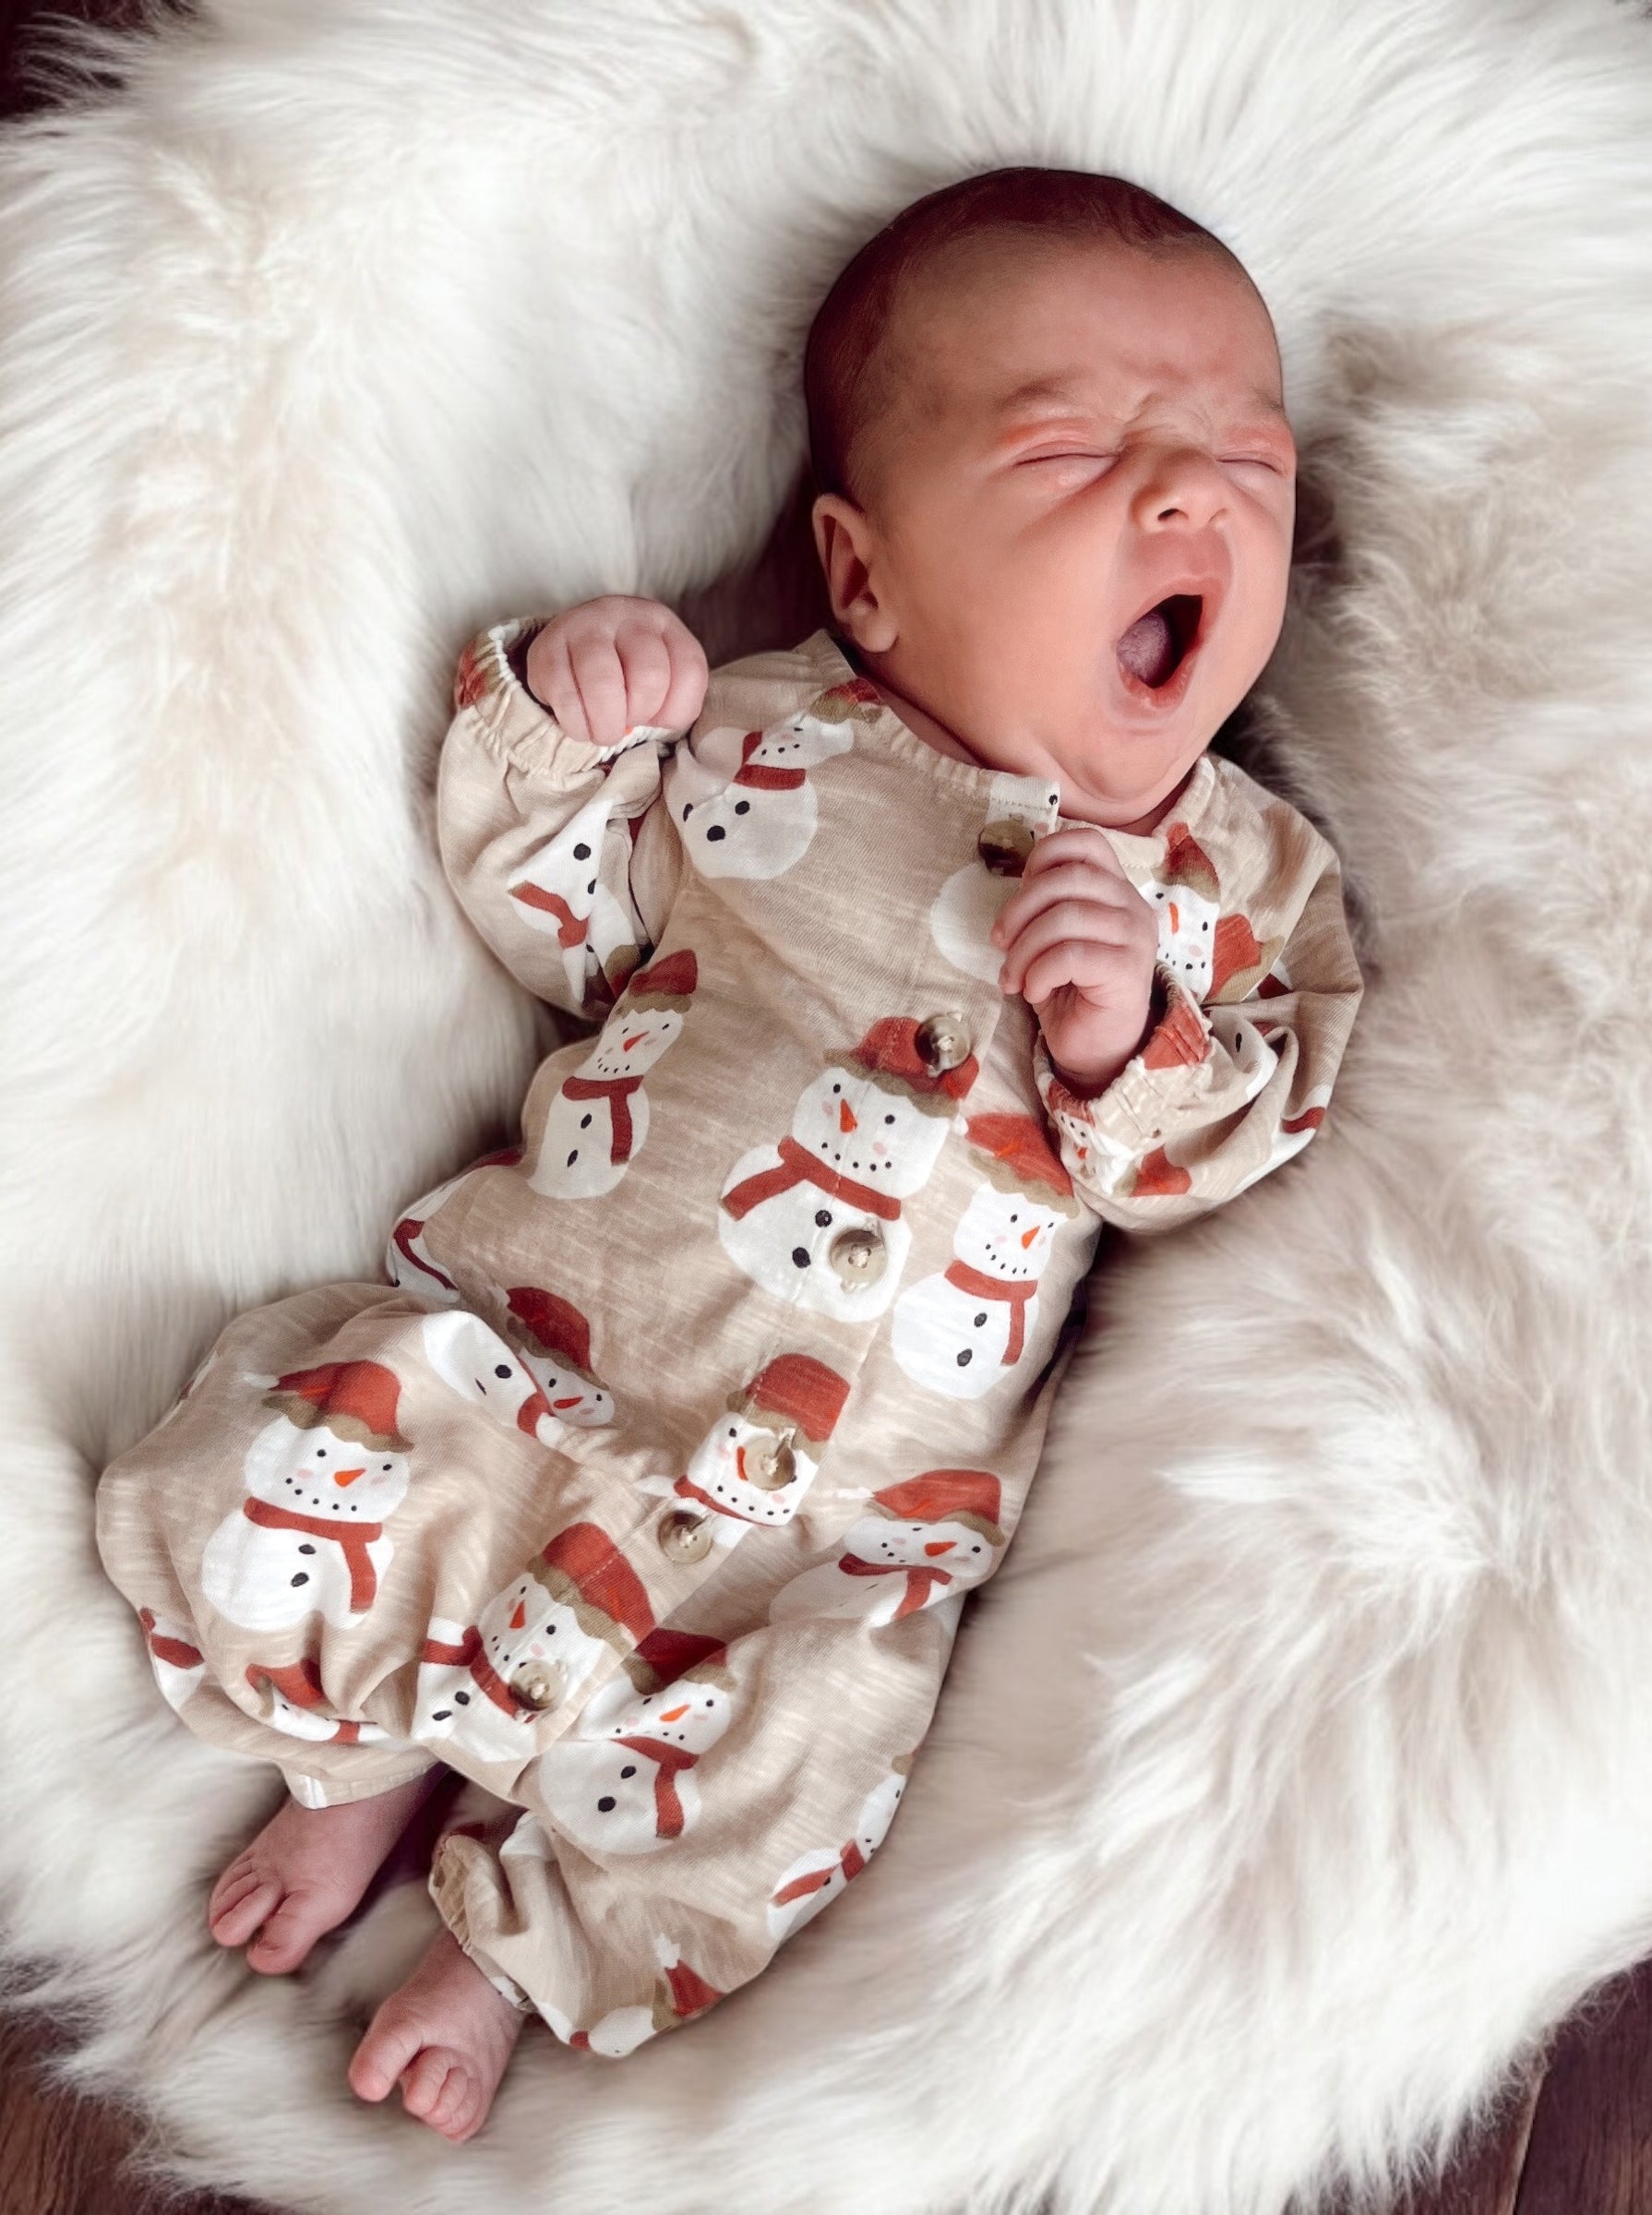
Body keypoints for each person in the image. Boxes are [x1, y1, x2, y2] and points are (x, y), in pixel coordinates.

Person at [96, 165, 1363, 2143]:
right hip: (540, 1355)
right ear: (862, 575)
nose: (1190, 497)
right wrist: (566, 723)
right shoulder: (773, 738)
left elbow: (1229, 1145)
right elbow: (573, 925)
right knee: (278, 1470)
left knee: (805, 1777)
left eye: (1242, 462)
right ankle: (350, 1775)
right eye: (1074, 451)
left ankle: (506, 1951)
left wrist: (1128, 1031)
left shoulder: (1241, 886)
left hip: (832, 1539)